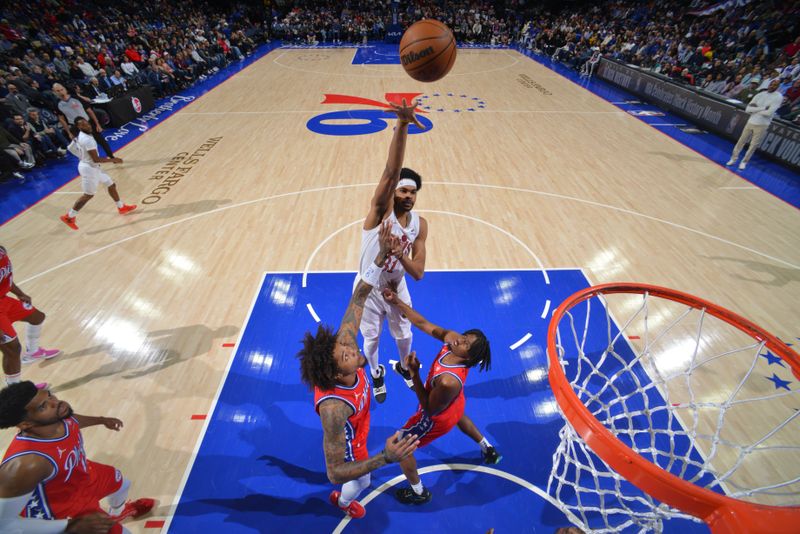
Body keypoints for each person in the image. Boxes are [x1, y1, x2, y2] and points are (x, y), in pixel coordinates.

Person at [298, 220, 420, 520]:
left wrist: (380, 256)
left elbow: (361, 294)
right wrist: (385, 458)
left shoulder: (343, 342)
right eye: (347, 355)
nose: (353, 349)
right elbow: (335, 471)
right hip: (352, 439)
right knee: (361, 480)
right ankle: (341, 503)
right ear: (338, 375)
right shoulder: (334, 411)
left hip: (360, 420)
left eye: (347, 348)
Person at [382, 287, 500, 505]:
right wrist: (397, 301)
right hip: (455, 403)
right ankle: (488, 448)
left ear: (470, 357)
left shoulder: (448, 381)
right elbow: (423, 324)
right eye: (465, 337)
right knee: (460, 415)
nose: (459, 340)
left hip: (438, 416)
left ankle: (418, 492)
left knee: (401, 446)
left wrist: (414, 374)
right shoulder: (453, 343)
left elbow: (428, 407)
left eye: (466, 344)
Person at [0, 382, 154, 532]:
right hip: (62, 509)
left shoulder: (60, 415)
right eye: (43, 406)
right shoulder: (26, 464)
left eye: (50, 396)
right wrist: (70, 526)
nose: (56, 402)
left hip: (80, 476)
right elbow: (4, 526)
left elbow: (74, 421)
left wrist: (101, 420)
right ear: (26, 424)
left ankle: (117, 513)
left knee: (123, 484)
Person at [357, 98, 427, 404]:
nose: (408, 195)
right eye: (403, 190)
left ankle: (402, 367)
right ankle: (375, 371)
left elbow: (419, 274)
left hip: (397, 287)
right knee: (370, 342)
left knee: (405, 336)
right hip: (369, 287)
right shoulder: (379, 214)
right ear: (393, 192)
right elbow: (390, 171)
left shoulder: (420, 225)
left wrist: (399, 255)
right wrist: (402, 125)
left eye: (412, 191)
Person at [59, 117, 136, 231]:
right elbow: (96, 159)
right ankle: (69, 217)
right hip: (89, 168)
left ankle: (121, 207)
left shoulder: (79, 136)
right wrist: (113, 160)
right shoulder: (88, 140)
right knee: (88, 195)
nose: (88, 125)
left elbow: (70, 147)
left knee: (111, 184)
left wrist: (82, 157)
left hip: (91, 166)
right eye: (83, 124)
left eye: (87, 123)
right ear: (79, 127)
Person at [0, 246, 60, 386]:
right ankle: (17, 394)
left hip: (3, 300)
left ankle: (32, 352)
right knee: (12, 350)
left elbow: (5, 277)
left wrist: (19, 293)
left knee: (37, 317)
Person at [727, 79, 784, 170]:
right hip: (751, 121)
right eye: (771, 84)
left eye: (775, 85)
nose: (772, 86)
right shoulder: (760, 94)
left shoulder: (778, 97)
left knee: (753, 145)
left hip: (763, 124)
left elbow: (769, 113)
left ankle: (744, 162)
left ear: (778, 87)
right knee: (741, 141)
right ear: (769, 84)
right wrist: (764, 108)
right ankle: (733, 159)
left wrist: (756, 109)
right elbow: (748, 109)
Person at [52, 83, 117, 159]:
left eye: (61, 89)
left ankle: (111, 156)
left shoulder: (76, 98)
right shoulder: (57, 104)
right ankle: (93, 162)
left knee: (102, 141)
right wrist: (69, 132)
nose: (60, 92)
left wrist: (97, 124)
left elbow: (89, 110)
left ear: (65, 89)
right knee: (84, 147)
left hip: (88, 123)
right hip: (75, 127)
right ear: (54, 92)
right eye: (58, 91)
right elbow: (61, 119)